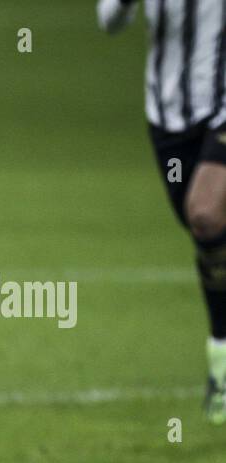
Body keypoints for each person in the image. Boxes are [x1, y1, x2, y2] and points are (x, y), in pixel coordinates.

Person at [99, 0, 226, 422]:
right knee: (204, 232)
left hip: (222, 105)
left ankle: (221, 356)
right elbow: (109, 21)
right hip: (168, 115)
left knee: (206, 211)